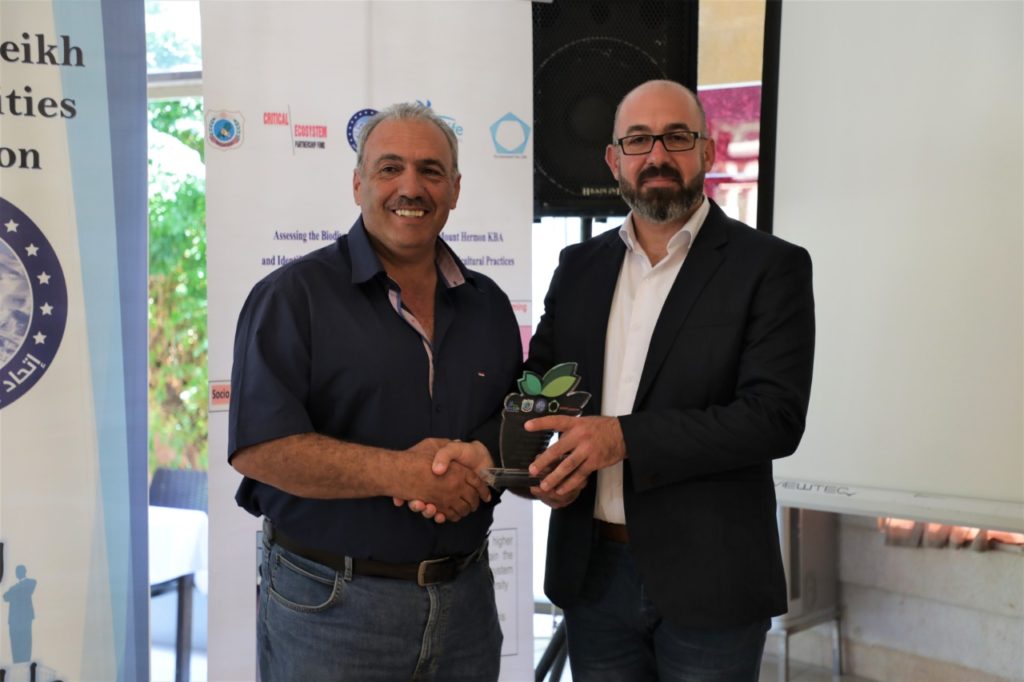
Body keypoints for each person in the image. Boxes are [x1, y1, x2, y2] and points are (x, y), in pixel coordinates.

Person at [522, 80, 815, 680]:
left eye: (676, 137)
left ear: (707, 151)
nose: (657, 155)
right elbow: (540, 386)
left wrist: (622, 438)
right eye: (638, 140)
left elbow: (773, 419)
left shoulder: (770, 266)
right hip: (592, 575)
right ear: (614, 160)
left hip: (714, 580)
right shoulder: (579, 267)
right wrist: (532, 469)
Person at [228, 102, 521, 681]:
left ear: (455, 188)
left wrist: (482, 456)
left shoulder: (488, 303)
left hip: (466, 604)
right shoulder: (292, 296)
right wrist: (403, 474)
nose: (410, 187)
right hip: (331, 610)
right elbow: (261, 449)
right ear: (358, 183)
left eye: (431, 171)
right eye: (390, 168)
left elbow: (510, 419)